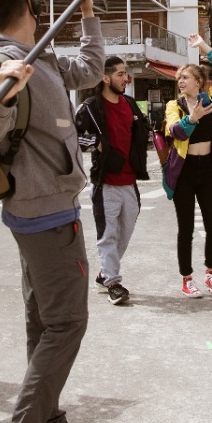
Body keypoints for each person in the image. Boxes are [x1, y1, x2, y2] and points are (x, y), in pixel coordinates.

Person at [0, 0, 105, 423]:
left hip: (44, 208)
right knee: (67, 323)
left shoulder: (42, 52)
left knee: (42, 323)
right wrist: (5, 92)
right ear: (29, 2)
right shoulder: (4, 60)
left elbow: (90, 70)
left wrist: (88, 15)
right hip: (44, 212)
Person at [75, 56, 150, 305]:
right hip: (105, 183)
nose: (125, 78)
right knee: (108, 235)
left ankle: (105, 272)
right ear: (105, 78)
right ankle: (113, 283)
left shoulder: (129, 104)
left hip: (130, 182)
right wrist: (95, 143)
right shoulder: (91, 107)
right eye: (120, 74)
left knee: (124, 234)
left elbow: (143, 131)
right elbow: (71, 136)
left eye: (125, 73)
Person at [162, 33, 212, 298]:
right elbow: (175, 132)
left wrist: (203, 46)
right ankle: (187, 278)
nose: (181, 82)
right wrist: (191, 118)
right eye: (179, 78)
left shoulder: (210, 98)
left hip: (208, 170)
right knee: (186, 228)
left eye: (186, 77)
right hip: (185, 172)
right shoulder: (173, 106)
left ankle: (211, 274)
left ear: (200, 82)